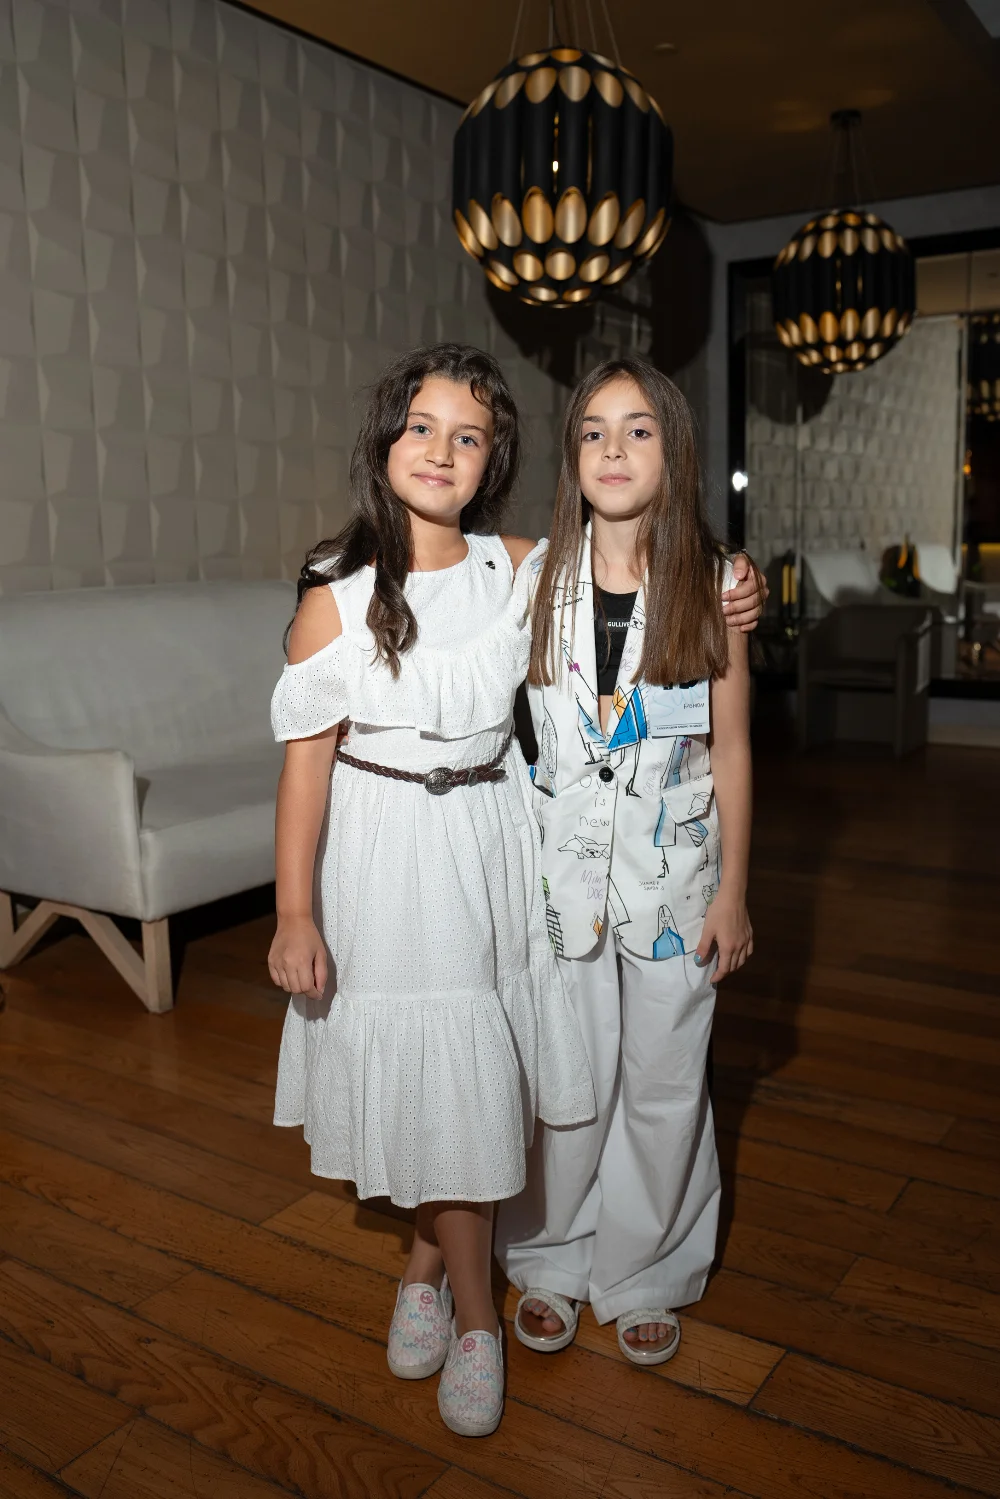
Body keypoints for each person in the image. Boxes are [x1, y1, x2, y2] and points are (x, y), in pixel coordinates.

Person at [267, 343, 763, 1438]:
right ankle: (516, 1261)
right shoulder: (441, 584)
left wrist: (739, 578)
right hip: (476, 867)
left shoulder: (570, 571)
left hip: (585, 864)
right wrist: (293, 908)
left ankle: (608, 1275)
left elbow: (721, 723)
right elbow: (311, 751)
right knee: (538, 1074)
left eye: (469, 435)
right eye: (594, 431)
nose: (441, 450)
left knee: (602, 1076)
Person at [496, 356, 754, 1369]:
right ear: (571, 455)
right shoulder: (532, 577)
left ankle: (647, 1268)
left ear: (673, 451)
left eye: (638, 428)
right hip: (560, 883)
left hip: (677, 885)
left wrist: (734, 893)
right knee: (568, 1078)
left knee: (663, 1079)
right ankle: (551, 1255)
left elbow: (732, 747)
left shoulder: (717, 583)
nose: (613, 448)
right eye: (593, 430)